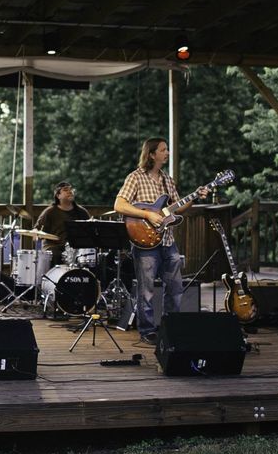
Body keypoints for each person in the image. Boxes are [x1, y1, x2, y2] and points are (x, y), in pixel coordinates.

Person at [112, 138, 207, 345]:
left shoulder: (167, 180)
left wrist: (195, 196)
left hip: (167, 240)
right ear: (152, 154)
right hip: (144, 241)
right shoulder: (135, 177)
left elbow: (177, 207)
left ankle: (169, 326)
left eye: (167, 149)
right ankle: (147, 331)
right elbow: (119, 204)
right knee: (146, 290)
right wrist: (147, 215)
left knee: (175, 287)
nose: (168, 153)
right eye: (164, 150)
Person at [35, 181, 90, 265]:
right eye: (65, 190)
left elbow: (90, 230)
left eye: (71, 189)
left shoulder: (82, 212)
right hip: (54, 248)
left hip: (76, 248)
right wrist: (35, 233)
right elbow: (37, 231)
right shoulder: (49, 212)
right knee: (55, 253)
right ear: (58, 196)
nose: (70, 191)